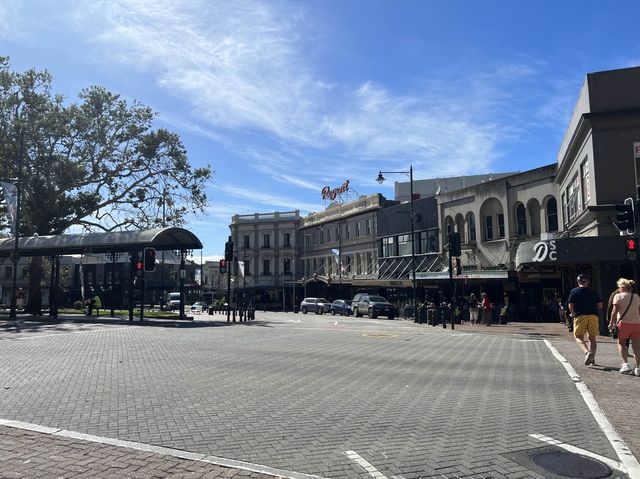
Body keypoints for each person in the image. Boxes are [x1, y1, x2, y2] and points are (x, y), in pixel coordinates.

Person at [567, 274, 603, 366]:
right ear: (587, 281)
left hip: (580, 316)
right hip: (593, 316)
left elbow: (571, 305)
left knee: (578, 337)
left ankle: (587, 352)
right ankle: (592, 360)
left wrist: (573, 314)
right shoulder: (593, 291)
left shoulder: (574, 291)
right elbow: (600, 305)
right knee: (592, 338)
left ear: (578, 281)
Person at [608, 278, 640, 376]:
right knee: (636, 346)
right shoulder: (636, 296)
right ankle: (638, 368)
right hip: (637, 323)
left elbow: (614, 311)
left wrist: (611, 323)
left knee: (622, 343)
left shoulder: (618, 296)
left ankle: (625, 364)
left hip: (624, 323)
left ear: (622, 287)